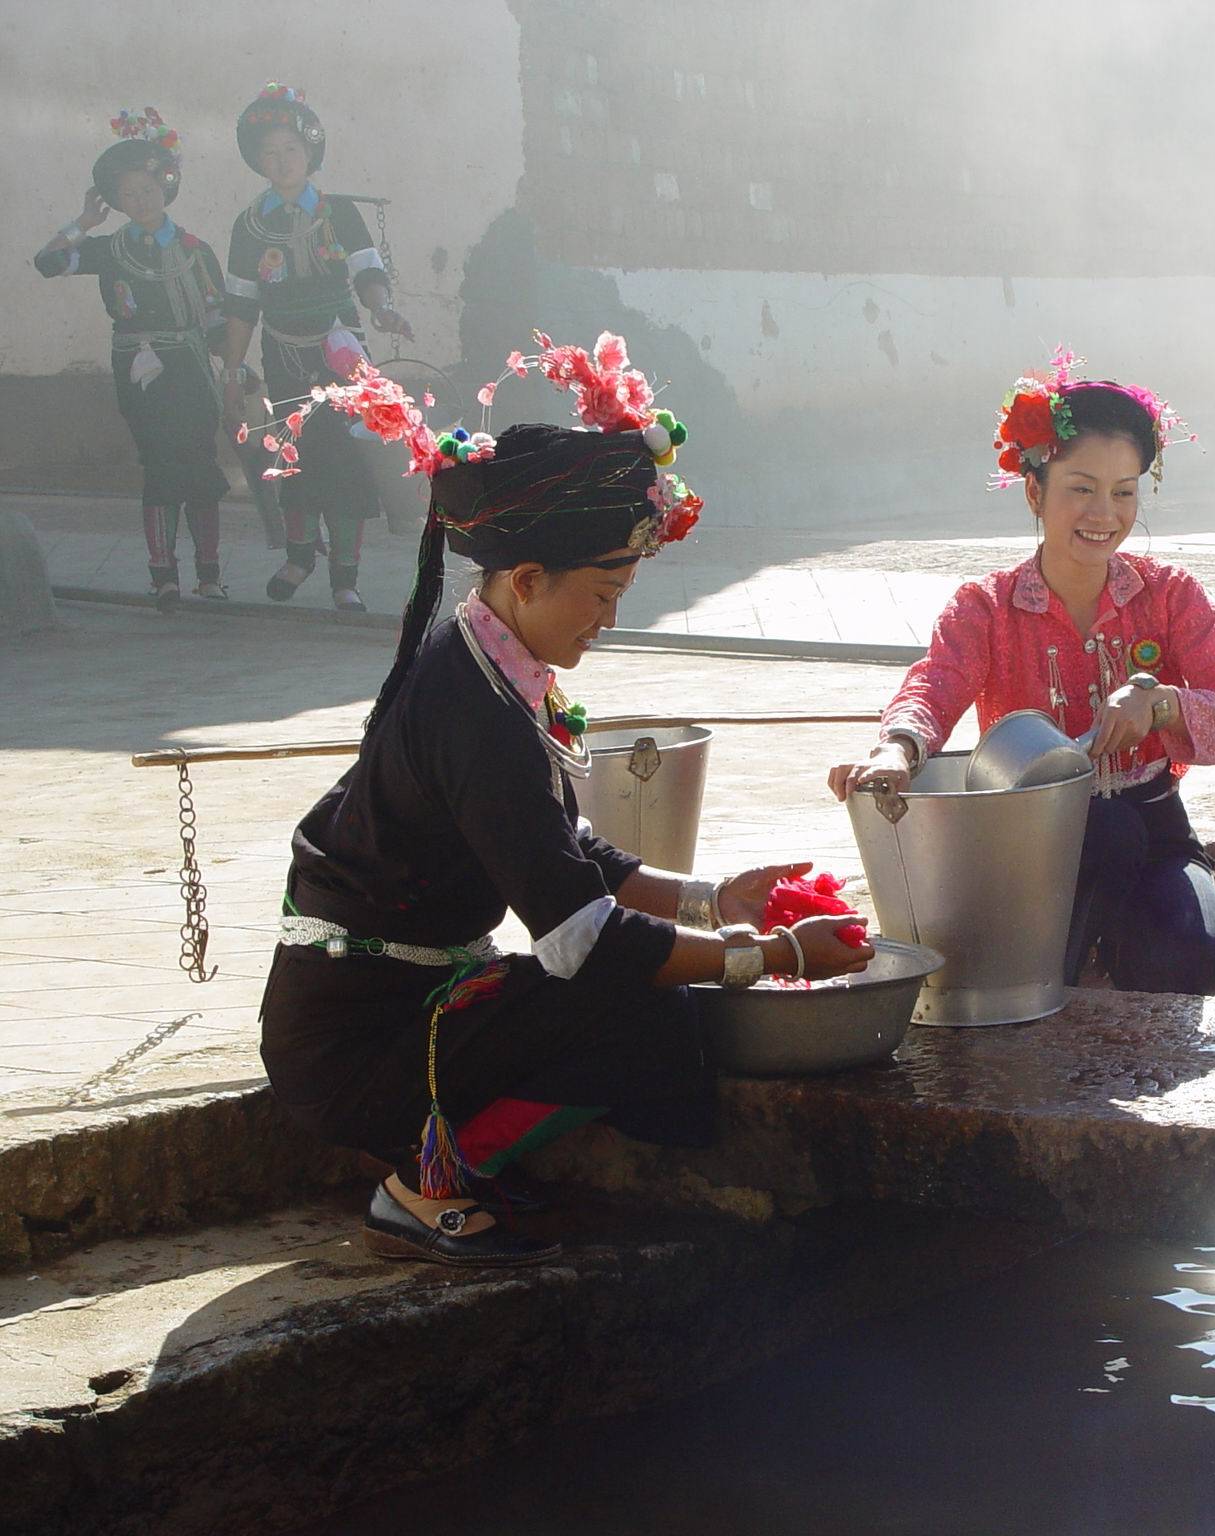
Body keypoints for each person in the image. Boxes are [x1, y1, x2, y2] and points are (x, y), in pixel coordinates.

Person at [259, 330, 872, 1267]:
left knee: (656, 1000)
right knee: (635, 1010)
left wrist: (716, 900)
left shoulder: (491, 661)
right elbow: (579, 935)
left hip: (390, 1005)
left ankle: (463, 1163)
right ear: (527, 579)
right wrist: (773, 952)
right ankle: (421, 1186)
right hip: (357, 1042)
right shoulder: (478, 712)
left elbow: (572, 852)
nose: (610, 618)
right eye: (600, 593)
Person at [827, 352, 1215, 996]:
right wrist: (897, 748)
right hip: (1028, 841)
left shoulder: (1170, 595)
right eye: (1080, 488)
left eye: (1124, 492)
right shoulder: (987, 606)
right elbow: (933, 686)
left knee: (1198, 956)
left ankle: (1112, 955)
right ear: (1036, 491)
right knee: (1099, 842)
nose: (1104, 514)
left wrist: (1161, 704)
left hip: (1152, 818)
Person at [218, 84, 412, 612]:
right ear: (258, 161)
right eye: (270, 153)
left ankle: (345, 578)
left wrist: (380, 307)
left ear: (310, 154)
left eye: (291, 151)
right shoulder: (250, 226)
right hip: (283, 357)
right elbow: (240, 305)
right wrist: (232, 371)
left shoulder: (339, 213)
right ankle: (300, 555)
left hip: (342, 353)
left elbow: (368, 271)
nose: (281, 161)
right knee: (295, 457)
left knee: (346, 460)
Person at [32, 110, 230, 606]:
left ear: (166, 188)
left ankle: (210, 575)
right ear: (114, 203)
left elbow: (216, 319)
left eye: (147, 188)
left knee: (200, 464)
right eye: (127, 194)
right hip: (140, 372)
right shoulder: (108, 249)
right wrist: (83, 222)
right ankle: (163, 575)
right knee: (160, 465)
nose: (139, 200)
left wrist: (235, 369)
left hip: (190, 367)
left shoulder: (195, 251)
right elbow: (47, 264)